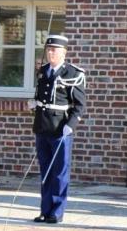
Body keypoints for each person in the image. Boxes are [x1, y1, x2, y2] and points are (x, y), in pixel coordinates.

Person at [29, 35, 86, 224]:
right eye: (49, 49)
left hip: (61, 129)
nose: (51, 53)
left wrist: (71, 125)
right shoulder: (43, 71)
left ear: (64, 52)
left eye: (55, 50)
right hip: (42, 127)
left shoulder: (73, 74)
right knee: (45, 171)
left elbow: (79, 105)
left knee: (60, 172)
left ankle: (56, 212)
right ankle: (45, 210)